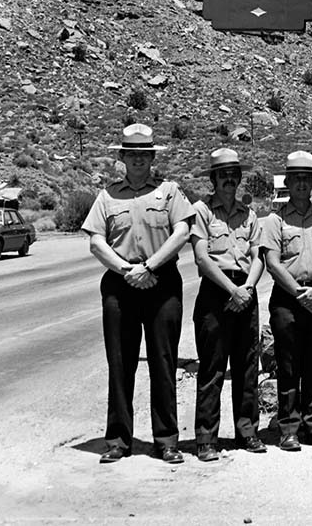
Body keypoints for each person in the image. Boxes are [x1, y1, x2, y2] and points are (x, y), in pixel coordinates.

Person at [82, 124, 194, 464]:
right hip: (120, 284)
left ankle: (166, 440)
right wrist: (127, 270)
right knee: (120, 364)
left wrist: (150, 267)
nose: (138, 160)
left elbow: (183, 231)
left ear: (151, 157)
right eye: (132, 154)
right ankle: (117, 440)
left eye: (144, 155)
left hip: (162, 283)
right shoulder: (107, 196)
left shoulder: (169, 191)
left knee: (163, 362)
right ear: (122, 157)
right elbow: (96, 241)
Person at [190, 148, 266, 461]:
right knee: (212, 368)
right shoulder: (202, 211)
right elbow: (201, 257)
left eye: (234, 174)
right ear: (213, 179)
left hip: (245, 292)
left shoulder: (249, 214)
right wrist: (232, 290)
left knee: (247, 367)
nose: (229, 180)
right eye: (223, 174)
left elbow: (258, 256)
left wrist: (246, 288)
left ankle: (247, 432)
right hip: (217, 291)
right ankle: (206, 438)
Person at [258, 150, 312, 451]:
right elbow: (273, 263)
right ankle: (289, 427)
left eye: (307, 179)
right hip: (288, 299)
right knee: (289, 366)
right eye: (297, 179)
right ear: (288, 183)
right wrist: (300, 294)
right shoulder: (275, 221)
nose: (302, 184)